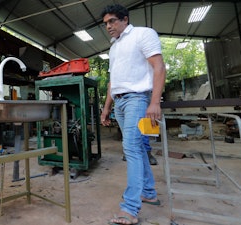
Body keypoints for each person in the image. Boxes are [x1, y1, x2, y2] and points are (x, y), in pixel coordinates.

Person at [100, 4, 166, 225]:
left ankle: (130, 208)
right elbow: (112, 81)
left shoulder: (143, 34)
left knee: (131, 149)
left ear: (125, 20)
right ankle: (148, 192)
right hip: (119, 102)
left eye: (112, 21)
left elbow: (159, 67)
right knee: (140, 147)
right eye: (106, 23)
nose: (108, 26)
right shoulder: (114, 47)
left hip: (138, 99)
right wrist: (106, 107)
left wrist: (154, 102)